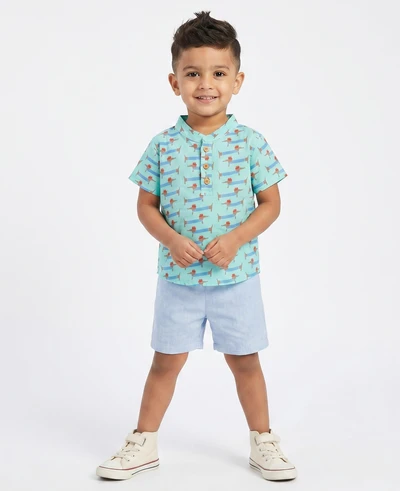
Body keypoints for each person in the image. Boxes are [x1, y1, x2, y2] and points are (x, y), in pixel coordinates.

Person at [96, 10, 297, 482]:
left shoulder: (250, 142)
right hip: (178, 280)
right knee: (164, 363)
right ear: (175, 82)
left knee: (246, 363)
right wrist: (170, 239)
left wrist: (236, 238)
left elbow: (271, 203)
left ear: (237, 81)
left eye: (219, 73)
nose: (206, 84)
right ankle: (143, 442)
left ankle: (263, 441)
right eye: (193, 74)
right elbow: (146, 206)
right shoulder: (162, 145)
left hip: (236, 279)